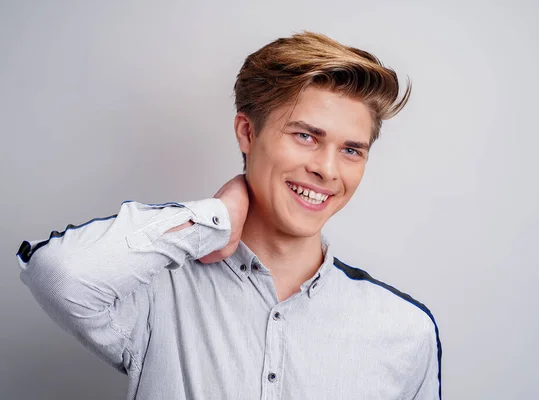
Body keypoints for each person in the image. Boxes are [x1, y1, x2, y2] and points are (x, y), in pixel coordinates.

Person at [16, 31, 442, 399]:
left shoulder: (405, 329)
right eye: (305, 136)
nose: (328, 170)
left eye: (351, 150)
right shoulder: (155, 291)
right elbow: (58, 273)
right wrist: (218, 214)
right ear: (247, 132)